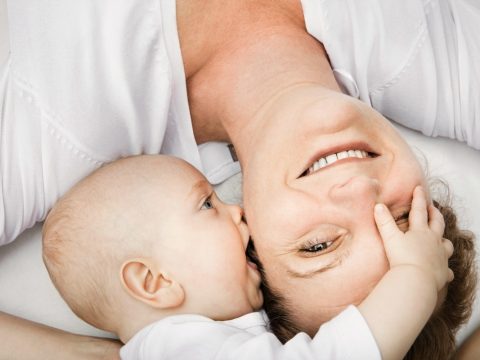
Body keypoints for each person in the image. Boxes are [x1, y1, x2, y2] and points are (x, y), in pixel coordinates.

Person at [0, 0, 478, 358]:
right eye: (400, 218)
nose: (357, 189)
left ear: (248, 235)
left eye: (318, 246)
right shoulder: (452, 64)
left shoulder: (43, 134)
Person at [43, 154, 454, 360]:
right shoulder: (182, 347)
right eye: (207, 205)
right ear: (155, 283)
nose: (237, 211)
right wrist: (415, 275)